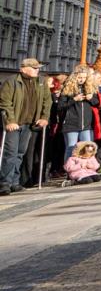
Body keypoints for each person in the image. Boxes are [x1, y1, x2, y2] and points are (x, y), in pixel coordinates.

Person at [0, 58, 51, 194]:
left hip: (29, 123)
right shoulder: (12, 81)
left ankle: (14, 182)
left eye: (38, 68)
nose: (37, 70)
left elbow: (47, 100)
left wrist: (44, 117)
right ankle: (4, 182)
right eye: (34, 68)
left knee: (20, 153)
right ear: (23, 68)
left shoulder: (41, 82)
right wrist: (10, 120)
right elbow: (5, 103)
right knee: (10, 152)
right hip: (14, 123)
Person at [57, 69, 101, 157]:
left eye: (84, 77)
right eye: (80, 77)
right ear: (75, 77)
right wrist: (74, 100)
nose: (82, 80)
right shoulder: (67, 89)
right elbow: (60, 106)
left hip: (86, 125)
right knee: (71, 148)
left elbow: (97, 103)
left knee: (88, 148)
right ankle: (69, 169)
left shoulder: (90, 88)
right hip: (71, 124)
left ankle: (86, 169)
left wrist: (91, 99)